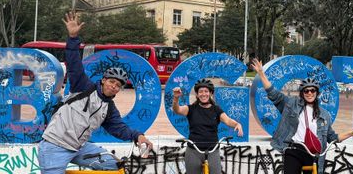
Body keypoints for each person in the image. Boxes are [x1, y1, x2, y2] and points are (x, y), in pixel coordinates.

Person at [38, 12, 154, 174]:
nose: (114, 86)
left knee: (115, 165)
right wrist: (72, 38)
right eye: (112, 82)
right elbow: (73, 63)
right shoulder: (83, 86)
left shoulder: (109, 107)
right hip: (55, 146)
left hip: (80, 147)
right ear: (103, 80)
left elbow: (118, 128)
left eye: (118, 85)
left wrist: (137, 136)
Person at [250, 59, 353, 174]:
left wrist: (351, 133)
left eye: (312, 90)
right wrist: (261, 74)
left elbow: (332, 137)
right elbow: (274, 94)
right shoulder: (292, 104)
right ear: (302, 93)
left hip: (313, 154)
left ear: (317, 93)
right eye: (306, 91)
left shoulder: (324, 115)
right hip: (294, 150)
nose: (309, 93)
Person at [171, 79, 244, 174]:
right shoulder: (191, 109)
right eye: (200, 92)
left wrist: (237, 124)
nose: (203, 94)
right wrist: (176, 98)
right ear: (197, 95)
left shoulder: (216, 110)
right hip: (194, 150)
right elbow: (177, 110)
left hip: (212, 150)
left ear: (211, 93)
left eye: (206, 91)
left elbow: (228, 120)